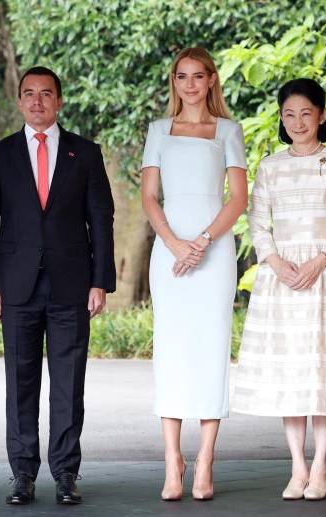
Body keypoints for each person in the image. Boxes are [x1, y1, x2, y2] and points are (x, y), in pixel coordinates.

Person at [232, 78, 326, 501]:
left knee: (323, 369)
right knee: (291, 371)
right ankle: (297, 467)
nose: (297, 121)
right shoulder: (270, 166)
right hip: (282, 278)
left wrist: (320, 260)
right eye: (289, 114)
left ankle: (321, 465)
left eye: (305, 113)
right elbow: (259, 223)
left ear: (322, 115)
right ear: (282, 118)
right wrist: (277, 262)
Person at [0, 66, 115, 506]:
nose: (37, 101)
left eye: (46, 94)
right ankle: (22, 474)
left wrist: (101, 281)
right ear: (19, 101)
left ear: (59, 101)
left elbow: (101, 222)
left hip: (72, 285)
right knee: (20, 383)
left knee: (69, 384)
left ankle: (66, 473)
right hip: (15, 288)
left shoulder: (85, 153)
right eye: (29, 94)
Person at [140, 47, 248, 501]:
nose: (189, 84)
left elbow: (238, 198)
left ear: (211, 81)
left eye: (197, 76)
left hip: (215, 251)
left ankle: (204, 461)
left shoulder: (228, 130)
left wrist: (201, 242)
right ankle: (172, 462)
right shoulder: (157, 131)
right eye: (181, 76)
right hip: (169, 254)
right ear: (174, 82)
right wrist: (174, 244)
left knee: (210, 348)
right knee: (171, 350)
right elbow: (149, 198)